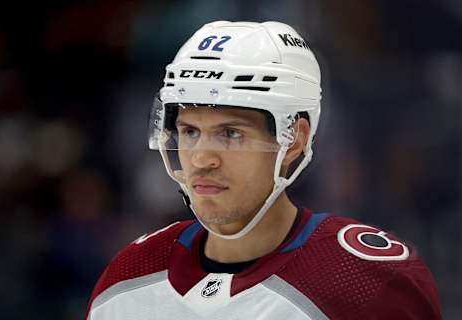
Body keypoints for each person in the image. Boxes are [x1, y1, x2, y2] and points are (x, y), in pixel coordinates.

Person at [84, 21, 442, 319]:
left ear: (294, 139)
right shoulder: (128, 277)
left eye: (230, 133)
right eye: (190, 131)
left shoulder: (367, 284)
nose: (201, 159)